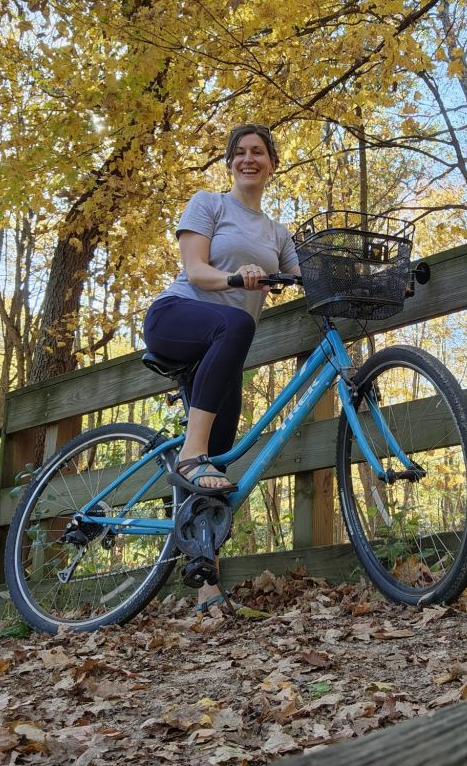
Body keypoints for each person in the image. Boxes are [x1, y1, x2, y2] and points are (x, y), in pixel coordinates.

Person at [142, 124, 300, 612]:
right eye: (240, 152)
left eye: (258, 152)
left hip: (224, 349)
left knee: (219, 466)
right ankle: (191, 451)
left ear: (271, 164)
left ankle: (207, 590)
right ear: (230, 162)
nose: (249, 159)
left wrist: (380, 281)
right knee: (236, 323)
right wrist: (237, 277)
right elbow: (196, 270)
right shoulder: (209, 204)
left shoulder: (278, 233)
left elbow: (308, 278)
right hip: (176, 317)